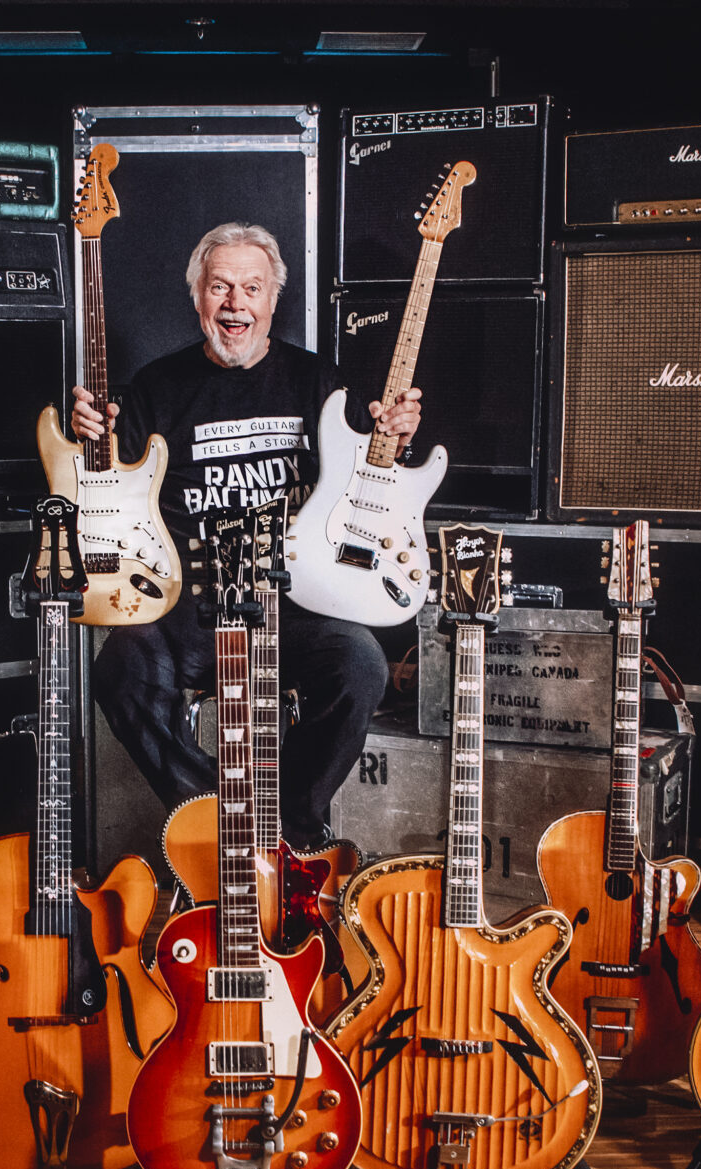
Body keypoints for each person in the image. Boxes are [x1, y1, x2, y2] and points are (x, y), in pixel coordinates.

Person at [71, 222, 424, 849]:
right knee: (120, 672)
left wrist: (390, 442)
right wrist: (91, 436)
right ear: (198, 297)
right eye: (220, 287)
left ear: (272, 301)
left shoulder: (319, 383)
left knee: (360, 664)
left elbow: (360, 486)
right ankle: (216, 823)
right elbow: (110, 487)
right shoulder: (155, 387)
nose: (235, 303)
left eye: (251, 288)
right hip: (188, 610)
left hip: (290, 603)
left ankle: (292, 826)